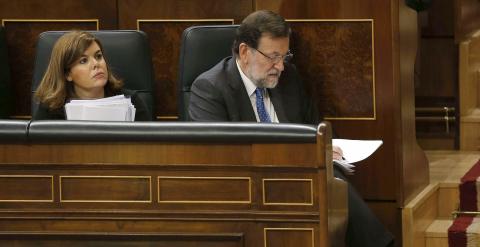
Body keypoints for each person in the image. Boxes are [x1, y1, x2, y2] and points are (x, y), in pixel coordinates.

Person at [189, 10, 395, 247]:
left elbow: (313, 126)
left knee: (332, 181)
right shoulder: (210, 88)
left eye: (284, 56)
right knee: (328, 184)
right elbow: (218, 158)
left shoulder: (289, 78)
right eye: (273, 56)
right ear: (245, 52)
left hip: (301, 177)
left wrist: (328, 147)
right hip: (250, 186)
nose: (281, 66)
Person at [33, 31, 152, 121]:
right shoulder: (51, 110)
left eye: (98, 56)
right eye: (83, 61)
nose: (96, 64)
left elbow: (149, 148)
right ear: (67, 74)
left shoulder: (132, 101)